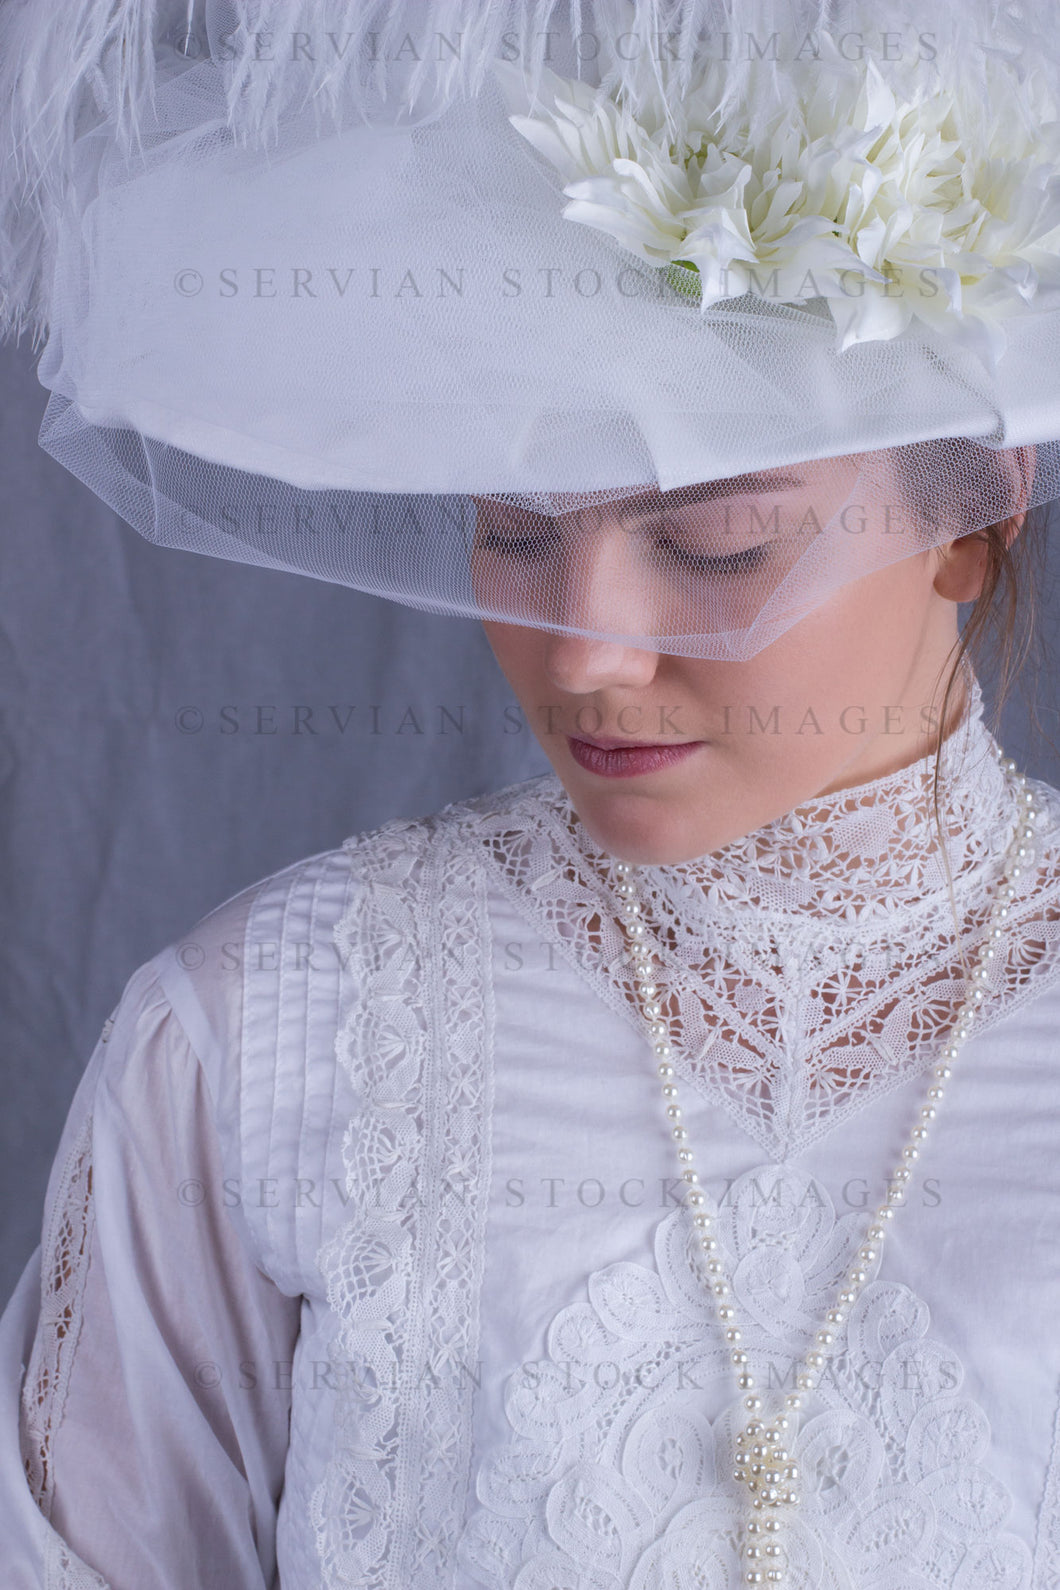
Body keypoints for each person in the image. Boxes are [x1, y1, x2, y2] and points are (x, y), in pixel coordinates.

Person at [3, 3, 1060, 1587]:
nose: (588, 653)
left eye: (716, 542)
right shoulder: (262, 1034)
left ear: (973, 518)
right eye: (512, 524)